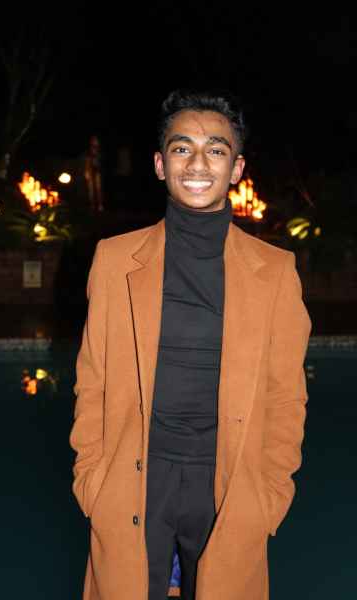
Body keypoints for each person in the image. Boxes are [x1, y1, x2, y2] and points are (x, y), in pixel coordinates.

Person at [69, 89, 312, 600]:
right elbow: (93, 381)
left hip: (228, 485)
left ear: (237, 168)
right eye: (182, 148)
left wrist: (269, 497)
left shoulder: (275, 272)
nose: (198, 164)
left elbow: (286, 397)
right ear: (160, 165)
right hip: (134, 480)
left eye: (215, 150)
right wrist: (92, 483)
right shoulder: (114, 260)